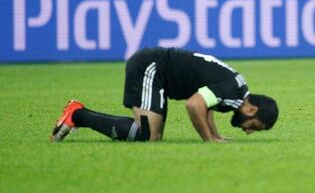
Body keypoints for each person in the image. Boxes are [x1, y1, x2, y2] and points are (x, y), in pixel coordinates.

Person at [51, 47, 279, 143]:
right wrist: (209, 140)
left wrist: (215, 136)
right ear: (252, 109)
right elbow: (194, 105)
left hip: (159, 73)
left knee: (152, 136)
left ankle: (77, 114)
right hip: (150, 67)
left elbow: (206, 104)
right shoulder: (233, 91)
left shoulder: (237, 90)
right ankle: (77, 114)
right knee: (147, 136)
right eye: (254, 126)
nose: (248, 131)